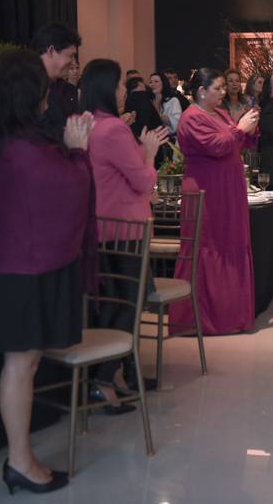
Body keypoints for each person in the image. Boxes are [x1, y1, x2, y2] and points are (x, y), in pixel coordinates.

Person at [0, 50, 96, 494]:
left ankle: (20, 458)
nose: (48, 97)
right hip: (21, 270)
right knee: (21, 363)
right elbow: (68, 191)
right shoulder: (22, 147)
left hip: (13, 264)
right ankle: (20, 462)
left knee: (24, 362)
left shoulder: (4, 137)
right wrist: (77, 152)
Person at [83, 59, 168, 405]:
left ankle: (115, 373)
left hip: (100, 224)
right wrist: (149, 154)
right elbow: (143, 181)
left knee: (113, 301)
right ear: (107, 88)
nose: (124, 92)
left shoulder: (85, 124)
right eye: (120, 85)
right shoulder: (114, 129)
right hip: (126, 225)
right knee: (130, 301)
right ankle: (104, 377)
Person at [171, 68, 261, 335]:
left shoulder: (219, 113)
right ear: (201, 91)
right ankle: (200, 318)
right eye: (218, 88)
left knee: (231, 243)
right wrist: (240, 129)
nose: (224, 92)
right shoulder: (191, 118)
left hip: (228, 189)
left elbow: (238, 142)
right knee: (208, 246)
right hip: (206, 190)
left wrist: (249, 127)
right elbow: (217, 146)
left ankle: (231, 315)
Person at [30, 23, 82, 131]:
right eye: (71, 55)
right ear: (51, 51)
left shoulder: (67, 89)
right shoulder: (29, 88)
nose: (73, 62)